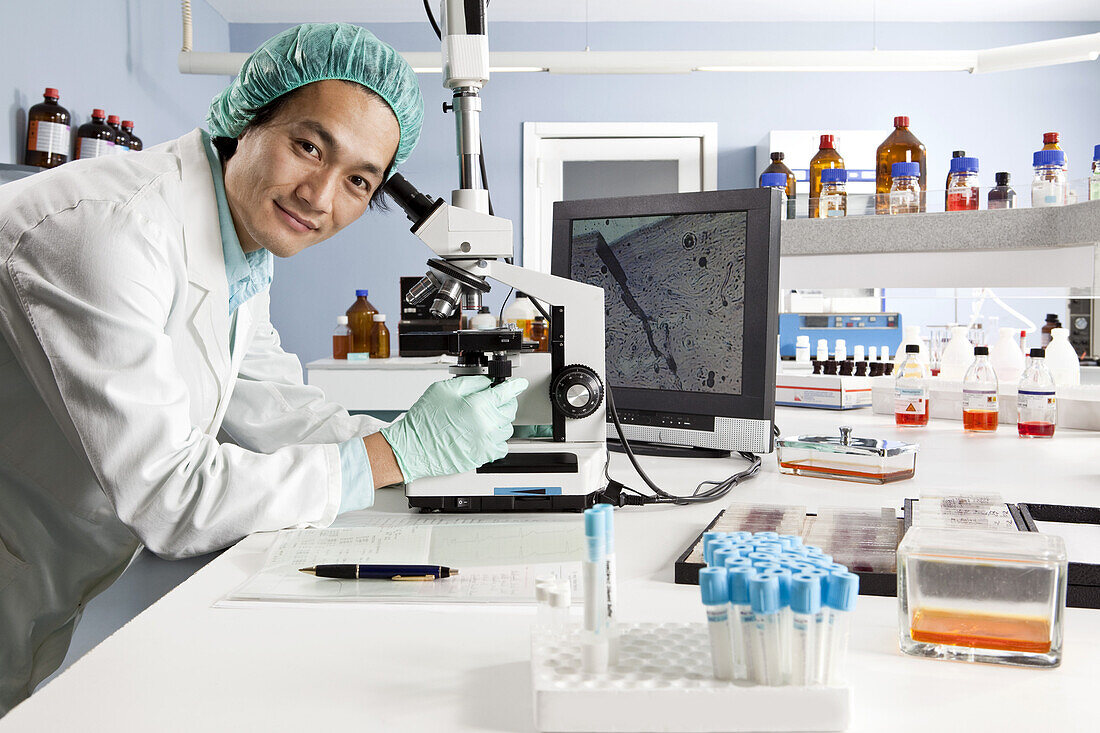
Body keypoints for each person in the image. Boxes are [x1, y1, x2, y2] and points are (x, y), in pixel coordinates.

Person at [0, 23, 527, 715]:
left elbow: (274, 404)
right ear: (248, 120)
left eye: (358, 180)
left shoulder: (238, 244)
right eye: (309, 146)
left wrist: (431, 455)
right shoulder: (105, 230)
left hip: (44, 581)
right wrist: (397, 451)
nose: (319, 195)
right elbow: (172, 495)